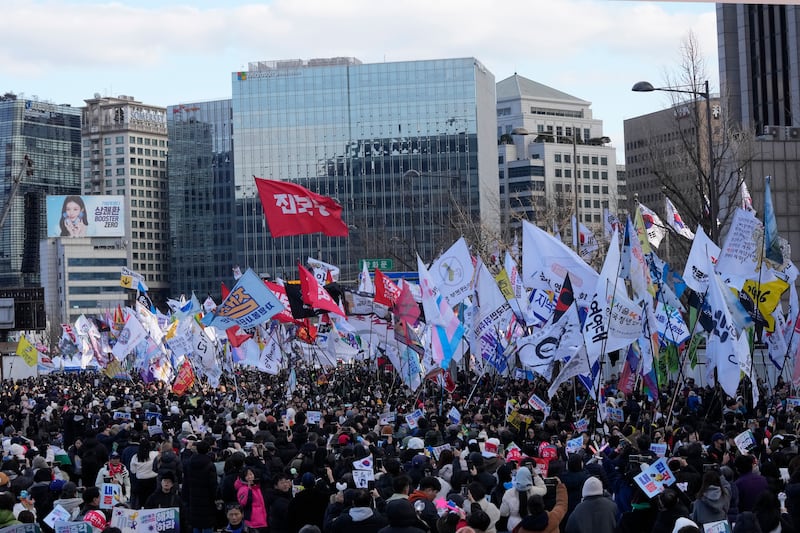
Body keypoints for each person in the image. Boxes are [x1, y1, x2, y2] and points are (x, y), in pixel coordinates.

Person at [183, 440, 218, 533]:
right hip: (207, 500)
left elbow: (185, 482)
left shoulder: (189, 463)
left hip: (193, 499)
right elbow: (213, 485)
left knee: (196, 524)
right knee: (207, 524)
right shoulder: (210, 465)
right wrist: (216, 498)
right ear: (208, 450)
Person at [500, 466, 547, 532]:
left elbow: (504, 513)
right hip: (531, 524)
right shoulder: (535, 491)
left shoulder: (508, 493)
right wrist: (536, 476)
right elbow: (544, 489)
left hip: (513, 526)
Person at [235, 466, 268, 533]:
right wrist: (249, 490)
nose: (250, 477)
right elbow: (244, 503)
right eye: (247, 475)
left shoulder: (257, 487)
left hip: (261, 519)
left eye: (251, 474)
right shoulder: (243, 489)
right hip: (252, 521)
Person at [130, 438, 159, 508]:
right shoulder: (154, 454)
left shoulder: (135, 457)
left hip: (141, 482)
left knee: (142, 501)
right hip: (153, 481)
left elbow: (133, 471)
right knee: (153, 501)